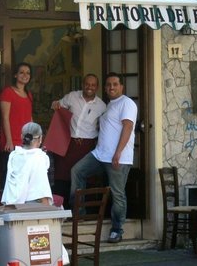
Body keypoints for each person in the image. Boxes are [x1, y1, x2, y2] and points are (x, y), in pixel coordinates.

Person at [70, 72, 138, 244]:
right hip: (100, 155)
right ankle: (80, 215)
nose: (111, 87)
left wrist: (118, 152)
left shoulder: (127, 103)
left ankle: (117, 230)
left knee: (117, 194)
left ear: (122, 86)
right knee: (77, 171)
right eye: (108, 85)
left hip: (118, 158)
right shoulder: (108, 105)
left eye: (115, 84)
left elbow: (128, 128)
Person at [50, 73, 106, 207]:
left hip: (86, 147)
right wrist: (55, 105)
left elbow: (104, 127)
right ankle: (62, 211)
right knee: (62, 176)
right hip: (68, 143)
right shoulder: (72, 96)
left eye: (93, 85)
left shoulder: (102, 106)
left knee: (81, 178)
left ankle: (78, 212)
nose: (90, 87)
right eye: (87, 84)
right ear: (83, 84)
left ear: (97, 87)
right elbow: (57, 105)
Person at [1, 122, 53, 205]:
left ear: (22, 137)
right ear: (40, 139)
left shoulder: (13, 155)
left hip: (11, 203)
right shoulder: (40, 157)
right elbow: (42, 189)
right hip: (33, 204)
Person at [0, 62, 33, 184]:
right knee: (10, 176)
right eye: (21, 72)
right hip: (12, 140)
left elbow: (29, 117)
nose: (25, 75)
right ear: (15, 75)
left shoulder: (28, 94)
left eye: (28, 73)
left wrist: (34, 138)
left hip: (25, 141)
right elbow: (5, 118)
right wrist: (9, 140)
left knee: (23, 175)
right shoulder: (8, 92)